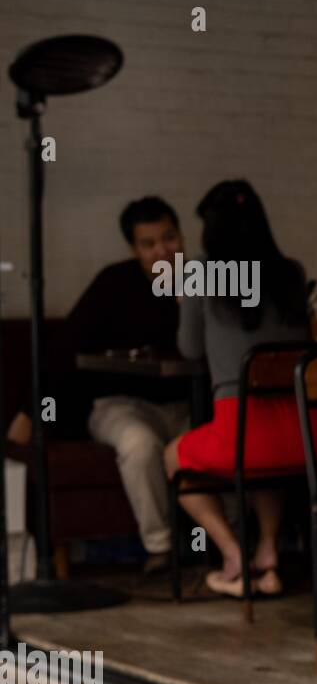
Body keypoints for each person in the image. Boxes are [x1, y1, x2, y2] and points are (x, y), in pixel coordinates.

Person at [163, 180, 317, 598]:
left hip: (242, 433)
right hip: (309, 432)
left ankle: (233, 554)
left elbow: (188, 349)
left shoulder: (200, 272)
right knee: (266, 461)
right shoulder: (290, 272)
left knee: (172, 456)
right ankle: (269, 555)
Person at [62, 197, 191, 572]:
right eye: (149, 244)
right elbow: (67, 348)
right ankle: (161, 548)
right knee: (140, 445)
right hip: (120, 402)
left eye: (169, 238)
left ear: (182, 236)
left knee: (214, 439)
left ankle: (226, 542)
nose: (163, 251)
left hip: (186, 401)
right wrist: (30, 411)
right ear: (134, 249)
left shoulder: (204, 280)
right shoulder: (113, 282)